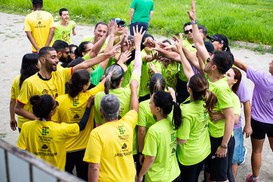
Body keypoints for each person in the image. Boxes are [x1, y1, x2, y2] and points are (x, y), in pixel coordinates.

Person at [15, 44, 120, 127]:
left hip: (59, 127)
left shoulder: (61, 73)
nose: (57, 60)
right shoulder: (29, 83)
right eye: (53, 57)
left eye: (56, 56)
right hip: (42, 129)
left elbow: (85, 64)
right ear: (43, 60)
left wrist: (108, 55)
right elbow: (18, 109)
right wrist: (38, 119)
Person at [187, 1, 235, 181]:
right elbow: (199, 43)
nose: (205, 60)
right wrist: (194, 21)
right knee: (211, 172)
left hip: (219, 137)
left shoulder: (221, 88)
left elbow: (230, 117)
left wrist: (223, 145)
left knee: (221, 176)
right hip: (210, 132)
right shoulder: (211, 74)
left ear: (213, 66)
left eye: (208, 60)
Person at [17, 94, 93, 170]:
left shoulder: (26, 127)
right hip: (56, 174)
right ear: (52, 112)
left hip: (36, 170)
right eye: (56, 105)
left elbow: (20, 151)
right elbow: (81, 126)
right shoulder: (61, 129)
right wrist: (88, 106)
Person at [83, 79, 139, 181]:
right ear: (118, 111)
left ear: (101, 112)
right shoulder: (127, 124)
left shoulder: (97, 133)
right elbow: (134, 109)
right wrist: (134, 89)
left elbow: (94, 167)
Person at [55, 69, 107, 180]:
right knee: (83, 177)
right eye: (89, 81)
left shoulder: (59, 100)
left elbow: (54, 123)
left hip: (65, 149)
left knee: (64, 178)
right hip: (84, 149)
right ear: (84, 86)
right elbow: (102, 84)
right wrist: (109, 75)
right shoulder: (90, 95)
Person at [234, 59, 273, 182]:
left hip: (258, 121)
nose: (269, 63)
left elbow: (242, 65)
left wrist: (226, 55)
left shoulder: (263, 78)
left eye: (272, 62)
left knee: (257, 151)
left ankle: (255, 178)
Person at [177, 74, 217, 182]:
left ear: (189, 89)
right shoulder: (206, 102)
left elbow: (182, 139)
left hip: (190, 157)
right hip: (204, 150)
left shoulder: (185, 112)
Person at [137, 89, 181, 182]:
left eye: (151, 102)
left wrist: (140, 175)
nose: (149, 104)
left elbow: (150, 158)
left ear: (158, 109)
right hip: (174, 173)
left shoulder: (154, 131)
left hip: (158, 177)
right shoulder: (173, 119)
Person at [137, 73, 166, 171]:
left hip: (149, 146)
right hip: (165, 143)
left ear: (148, 87)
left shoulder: (143, 105)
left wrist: (140, 152)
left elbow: (141, 131)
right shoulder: (169, 101)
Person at [10, 53, 40, 132]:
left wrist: (12, 118)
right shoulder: (36, 81)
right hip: (37, 122)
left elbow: (12, 101)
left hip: (22, 123)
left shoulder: (17, 79)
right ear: (35, 65)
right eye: (40, 61)